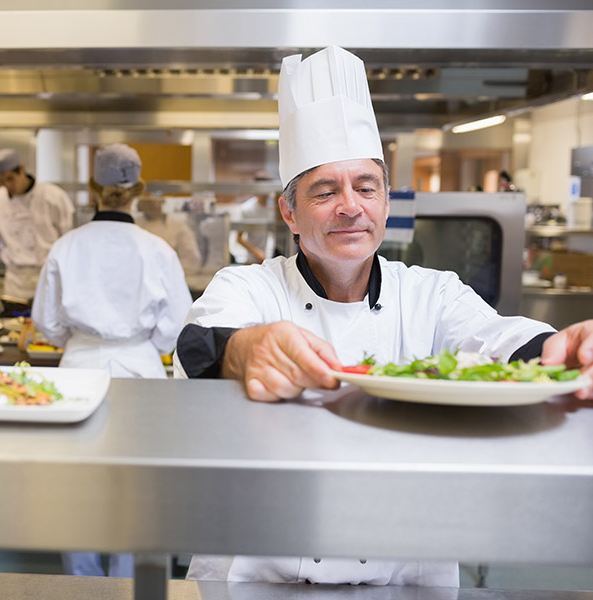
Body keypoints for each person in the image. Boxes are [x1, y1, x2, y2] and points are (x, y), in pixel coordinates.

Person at [173, 46, 593, 586]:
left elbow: (501, 339)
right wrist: (248, 350)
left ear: (386, 203)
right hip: (257, 573)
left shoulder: (431, 293)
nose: (350, 205)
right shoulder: (250, 286)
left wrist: (563, 349)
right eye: (325, 191)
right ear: (289, 212)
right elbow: (198, 343)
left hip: (406, 574)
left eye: (366, 187)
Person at [32, 144, 192, 576]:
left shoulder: (67, 246)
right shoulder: (156, 249)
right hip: (139, 371)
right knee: (136, 487)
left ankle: (82, 585)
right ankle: (127, 583)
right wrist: (140, 342)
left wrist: (81, 341)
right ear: (139, 189)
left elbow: (45, 321)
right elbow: (177, 327)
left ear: (92, 188)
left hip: (78, 370)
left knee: (76, 487)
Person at [0, 148, 75, 302]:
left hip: (50, 278)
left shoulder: (54, 197)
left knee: (48, 324)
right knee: (15, 323)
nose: (7, 186)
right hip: (16, 284)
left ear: (21, 169)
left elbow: (69, 241)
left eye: (10, 179)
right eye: (1, 181)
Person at [137, 195, 202, 272]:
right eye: (146, 198)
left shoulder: (178, 227)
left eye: (154, 199)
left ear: (163, 200)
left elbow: (191, 262)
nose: (151, 203)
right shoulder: (135, 225)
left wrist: (166, 271)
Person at [232, 170, 278, 264]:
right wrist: (256, 252)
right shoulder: (247, 209)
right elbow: (239, 238)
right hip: (252, 261)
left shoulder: (274, 209)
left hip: (270, 260)